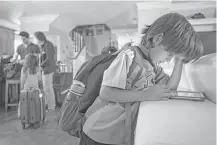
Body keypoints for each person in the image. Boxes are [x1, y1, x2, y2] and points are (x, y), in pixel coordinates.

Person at [79, 13, 203, 145]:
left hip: (118, 135)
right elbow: (106, 92)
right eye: (170, 54)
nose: (169, 60)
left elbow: (169, 89)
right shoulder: (129, 56)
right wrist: (146, 95)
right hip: (99, 131)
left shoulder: (154, 67)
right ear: (157, 39)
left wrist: (179, 61)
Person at [34, 31, 56, 111]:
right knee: (46, 88)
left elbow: (49, 58)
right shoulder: (43, 45)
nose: (36, 40)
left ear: (40, 38)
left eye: (36, 39)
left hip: (49, 69)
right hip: (45, 69)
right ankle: (48, 105)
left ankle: (51, 107)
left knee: (48, 88)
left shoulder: (48, 45)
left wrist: (40, 65)